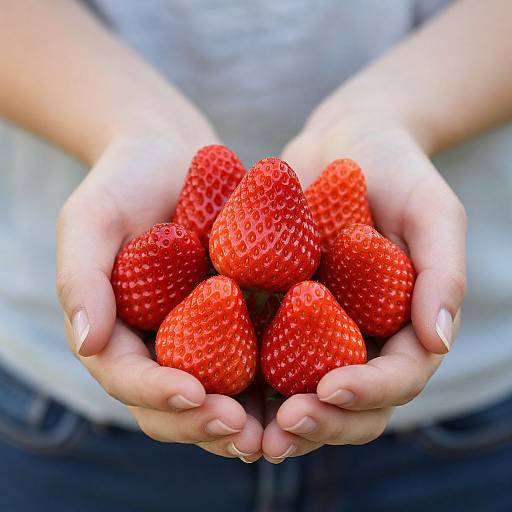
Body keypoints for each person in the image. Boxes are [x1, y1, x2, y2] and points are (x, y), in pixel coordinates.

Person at [0, 0, 511, 510]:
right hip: (67, 418)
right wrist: (127, 123)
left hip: (471, 407)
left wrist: (393, 116)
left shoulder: (304, 267)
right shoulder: (238, 271)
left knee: (335, 266)